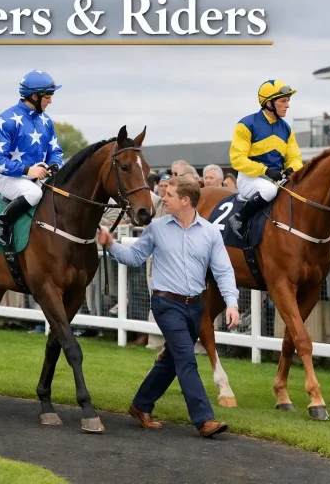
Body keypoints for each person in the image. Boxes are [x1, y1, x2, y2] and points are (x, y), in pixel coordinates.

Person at [98, 175, 240, 438]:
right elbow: (135, 256)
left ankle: (140, 405)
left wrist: (232, 303)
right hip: (166, 304)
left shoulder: (210, 233)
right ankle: (204, 419)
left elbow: (224, 271)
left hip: (196, 307)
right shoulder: (157, 227)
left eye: (170, 195)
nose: (163, 197)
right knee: (186, 357)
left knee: (172, 361)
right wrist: (111, 245)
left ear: (186, 200)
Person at [0, 70, 64, 246]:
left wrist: (54, 165)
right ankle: (0, 223)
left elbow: (56, 152)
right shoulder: (6, 120)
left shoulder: (46, 121)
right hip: (11, 178)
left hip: (40, 175)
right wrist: (28, 170)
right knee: (33, 193)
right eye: (48, 96)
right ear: (34, 96)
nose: (50, 101)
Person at [228, 80, 303, 239]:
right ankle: (239, 218)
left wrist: (291, 169)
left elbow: (295, 157)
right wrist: (266, 171)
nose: (287, 105)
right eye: (283, 101)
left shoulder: (286, 128)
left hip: (277, 179)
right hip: (250, 178)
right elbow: (237, 159)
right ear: (268, 103)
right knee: (268, 191)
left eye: (288, 101)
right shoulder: (246, 124)